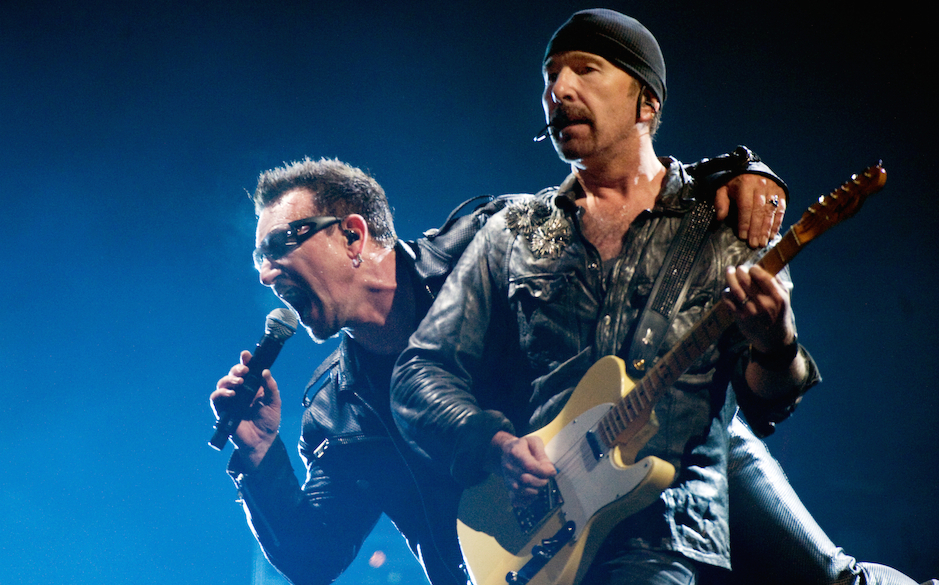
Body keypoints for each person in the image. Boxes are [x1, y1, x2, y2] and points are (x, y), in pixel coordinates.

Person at [391, 9, 928, 585]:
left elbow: (765, 404)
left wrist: (777, 342)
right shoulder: (515, 230)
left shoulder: (725, 221)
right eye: (549, 76)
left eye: (585, 69)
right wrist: (492, 441)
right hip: (543, 524)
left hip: (673, 522)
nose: (557, 90)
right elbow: (420, 370)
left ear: (647, 103)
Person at [210, 152, 795, 585]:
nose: (265, 273)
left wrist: (733, 174)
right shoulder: (337, 412)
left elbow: (612, 212)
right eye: (258, 259)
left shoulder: (486, 242)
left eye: (280, 246)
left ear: (352, 235)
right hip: (527, 569)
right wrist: (261, 457)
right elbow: (314, 557)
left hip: (643, 475)